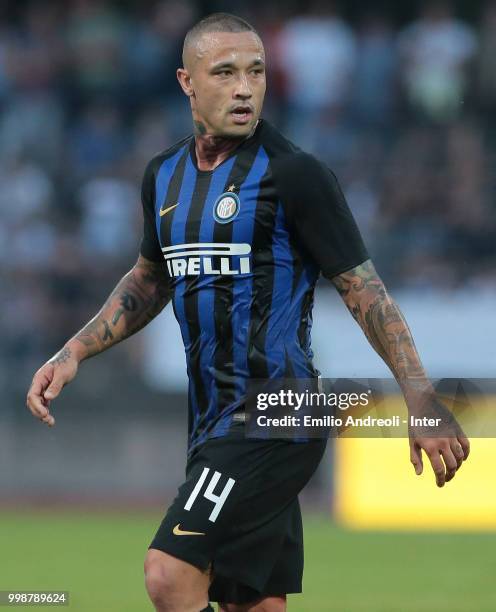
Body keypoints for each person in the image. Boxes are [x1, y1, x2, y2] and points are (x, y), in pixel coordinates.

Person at [26, 13, 470, 612]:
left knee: (169, 572)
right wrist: (73, 350)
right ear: (187, 82)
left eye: (256, 72)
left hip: (278, 410)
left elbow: (366, 291)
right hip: (211, 417)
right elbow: (149, 279)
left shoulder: (296, 175)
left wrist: (419, 396)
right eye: (225, 73)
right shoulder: (164, 176)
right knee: (254, 603)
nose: (244, 88)